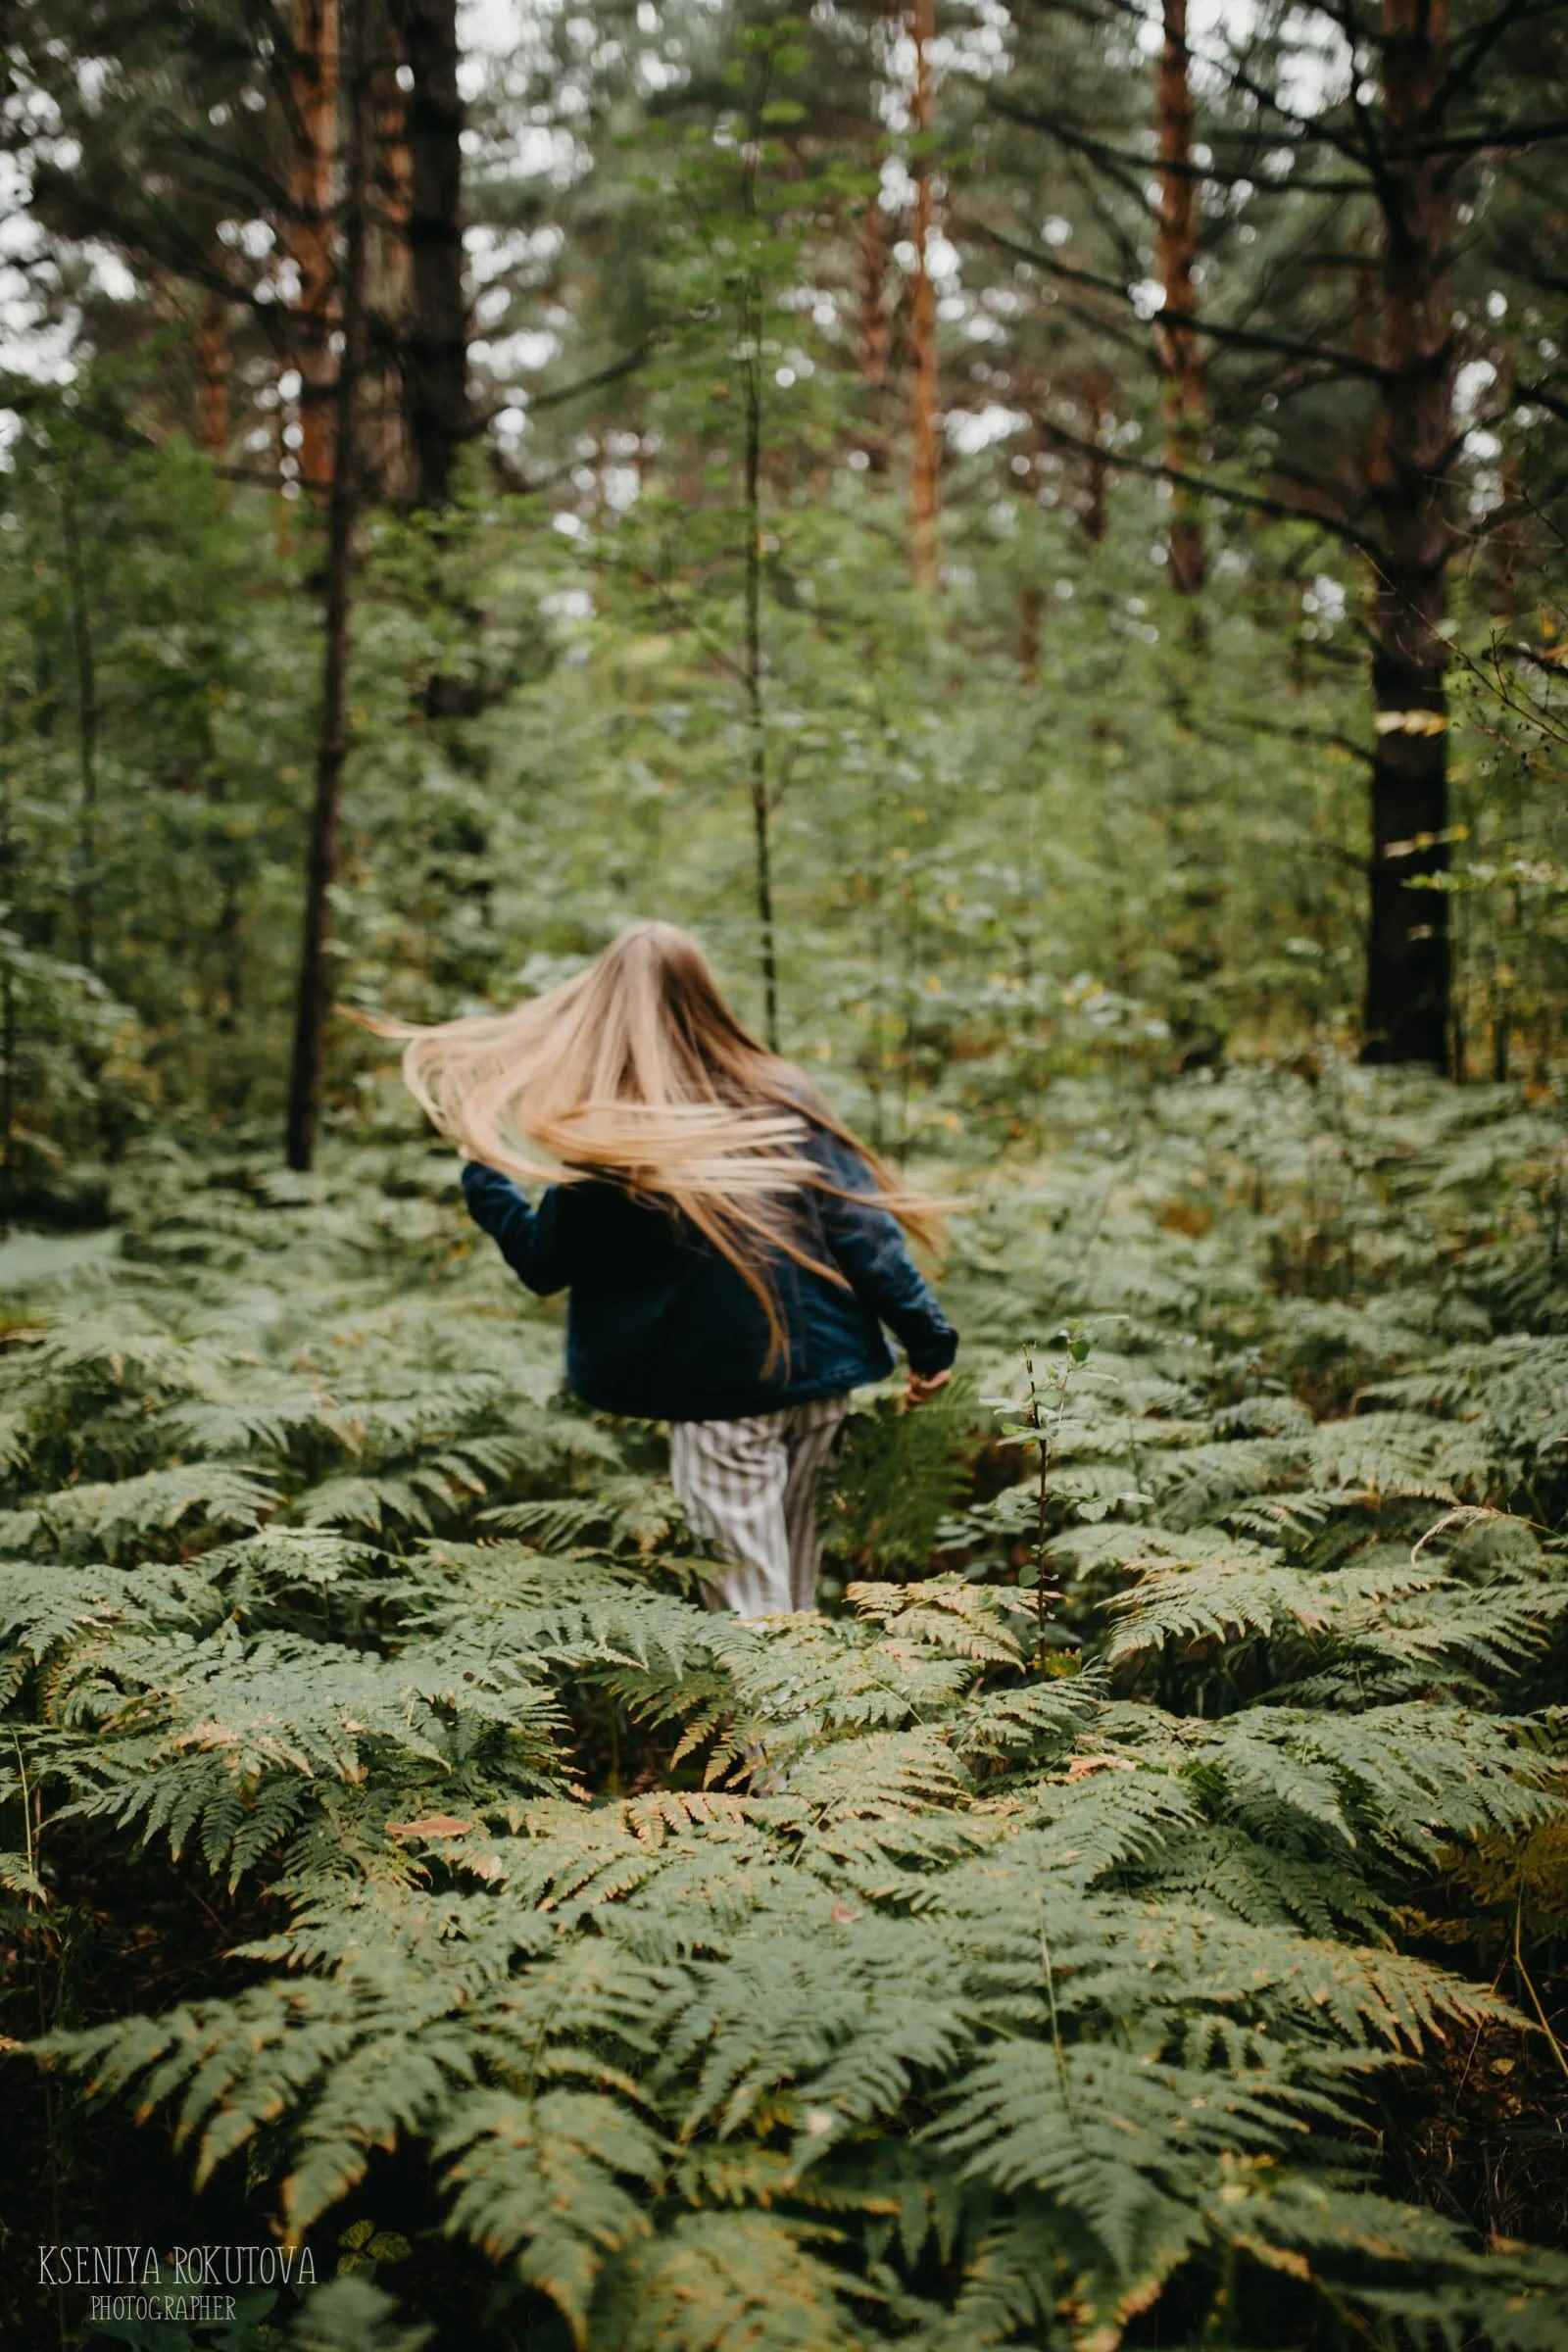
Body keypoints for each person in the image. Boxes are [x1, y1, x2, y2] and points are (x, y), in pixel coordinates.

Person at [363, 921, 957, 1620]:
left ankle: (785, 1730)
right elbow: (865, 1231)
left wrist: (484, 1174)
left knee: (754, 1616)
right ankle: (810, 1725)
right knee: (793, 1601)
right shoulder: (782, 1092)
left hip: (722, 1402)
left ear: (604, 1005)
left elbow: (543, 1264)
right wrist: (928, 1340)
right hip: (818, 1386)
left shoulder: (616, 1131)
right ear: (705, 996)